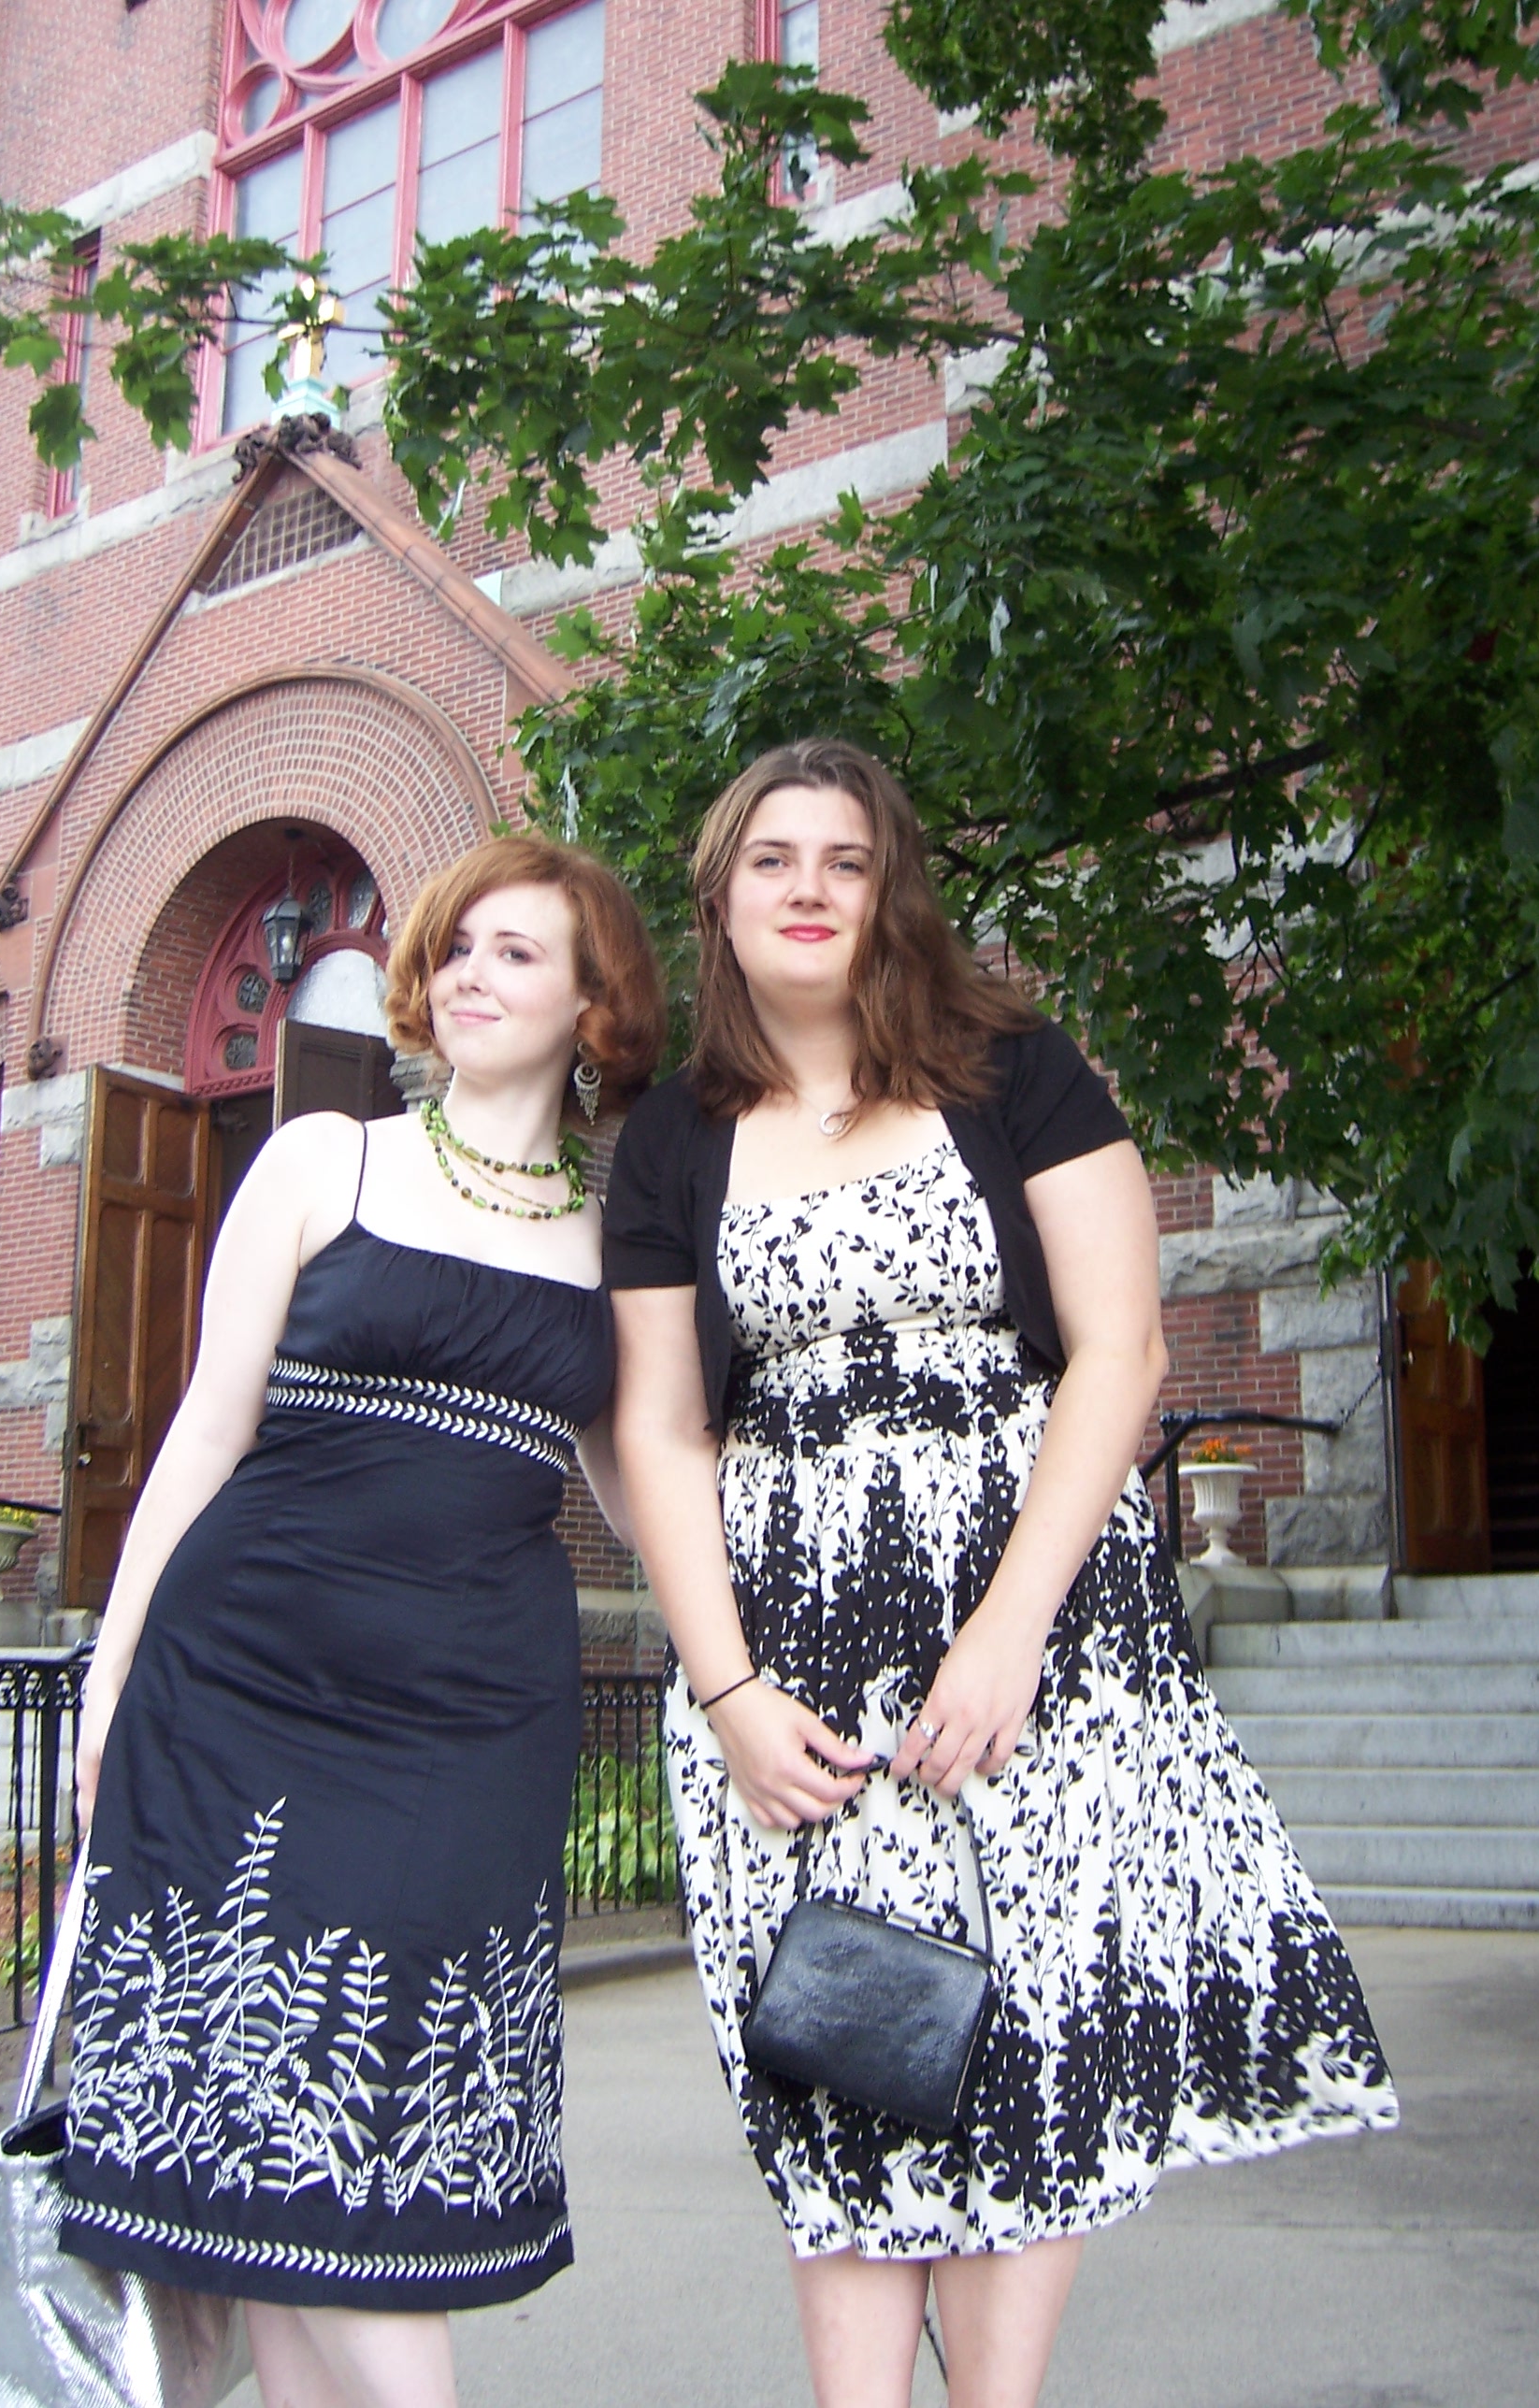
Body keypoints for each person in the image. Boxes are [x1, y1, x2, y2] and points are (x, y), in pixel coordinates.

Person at [604, 740, 1398, 2408]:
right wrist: (729, 1691)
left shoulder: (1014, 1069)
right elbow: (665, 1429)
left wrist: (1008, 1634)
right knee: (843, 2038)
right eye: (773, 860)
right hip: (785, 1664)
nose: (809, 888)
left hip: (1045, 1638)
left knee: (1033, 2041)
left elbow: (1121, 1351)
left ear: (890, 890)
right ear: (720, 898)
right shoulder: (673, 1140)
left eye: (845, 859)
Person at [59, 833, 667, 2408]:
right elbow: (205, 1432)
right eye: (455, 945)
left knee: (368, 2100)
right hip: (239, 1689)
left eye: (516, 953)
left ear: (595, 1005)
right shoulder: (322, 1162)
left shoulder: (621, 1249)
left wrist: (775, 1645)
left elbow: (647, 1496)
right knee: (261, 2145)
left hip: (471, 1719)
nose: (469, 974)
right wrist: (110, 1681)